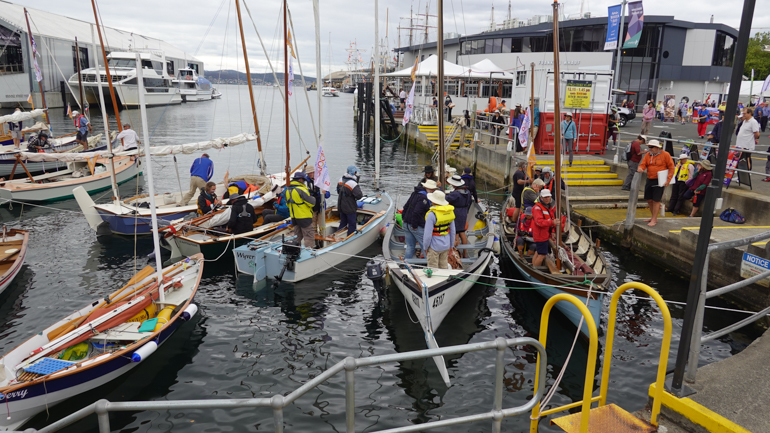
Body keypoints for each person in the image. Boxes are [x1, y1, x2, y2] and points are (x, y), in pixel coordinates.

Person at [637, 139, 675, 227]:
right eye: (649, 147)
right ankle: (653, 216)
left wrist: (668, 180)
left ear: (657, 148)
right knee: (649, 199)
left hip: (660, 180)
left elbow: (671, 167)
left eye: (651, 147)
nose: (650, 149)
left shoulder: (665, 155)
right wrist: (641, 168)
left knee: (656, 199)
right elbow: (643, 164)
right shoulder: (648, 155)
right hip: (650, 178)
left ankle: (654, 218)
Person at [402, 179, 437, 259]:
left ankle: (406, 265)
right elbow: (416, 212)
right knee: (425, 247)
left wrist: (404, 218)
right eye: (433, 190)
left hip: (406, 223)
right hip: (415, 226)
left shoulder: (414, 193)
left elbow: (406, 207)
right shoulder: (424, 198)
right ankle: (430, 265)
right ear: (430, 189)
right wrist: (414, 225)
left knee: (410, 246)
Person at [422, 190, 456, 270]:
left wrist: (425, 247)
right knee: (443, 268)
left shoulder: (431, 214)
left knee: (433, 270)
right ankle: (444, 281)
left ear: (433, 201)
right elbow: (453, 231)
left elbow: (428, 234)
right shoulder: (450, 212)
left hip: (434, 247)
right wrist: (451, 246)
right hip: (446, 245)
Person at [286, 172, 317, 248]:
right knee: (309, 237)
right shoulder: (302, 189)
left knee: (297, 237)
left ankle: (295, 250)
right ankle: (309, 253)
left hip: (294, 217)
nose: (304, 182)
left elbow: (287, 204)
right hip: (304, 217)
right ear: (300, 179)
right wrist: (313, 197)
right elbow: (312, 203)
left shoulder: (287, 190)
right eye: (303, 180)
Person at [446, 175, 473, 255]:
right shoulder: (467, 192)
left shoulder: (455, 194)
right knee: (462, 232)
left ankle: (456, 253)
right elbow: (470, 202)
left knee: (455, 233)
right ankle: (465, 253)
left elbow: (446, 199)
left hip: (456, 212)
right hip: (464, 212)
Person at [336, 165, 364, 236]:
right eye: (355, 172)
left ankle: (338, 237)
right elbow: (359, 196)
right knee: (352, 224)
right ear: (354, 173)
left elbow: (338, 191)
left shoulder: (340, 180)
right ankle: (349, 238)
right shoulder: (353, 183)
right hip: (349, 207)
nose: (356, 173)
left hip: (341, 206)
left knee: (343, 223)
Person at [532, 189, 556, 268]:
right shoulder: (537, 208)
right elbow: (539, 222)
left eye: (548, 197)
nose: (547, 199)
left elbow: (550, 218)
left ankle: (533, 266)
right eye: (545, 197)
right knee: (542, 255)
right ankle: (536, 270)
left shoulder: (547, 207)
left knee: (538, 252)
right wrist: (552, 222)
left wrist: (552, 231)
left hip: (544, 234)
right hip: (540, 235)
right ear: (541, 197)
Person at [735, 107, 760, 172]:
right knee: (741, 159)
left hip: (747, 145)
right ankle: (741, 174)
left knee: (747, 158)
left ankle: (748, 172)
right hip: (740, 144)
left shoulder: (753, 122)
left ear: (750, 113)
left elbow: (757, 133)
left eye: (745, 113)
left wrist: (755, 139)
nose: (743, 115)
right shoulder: (745, 121)